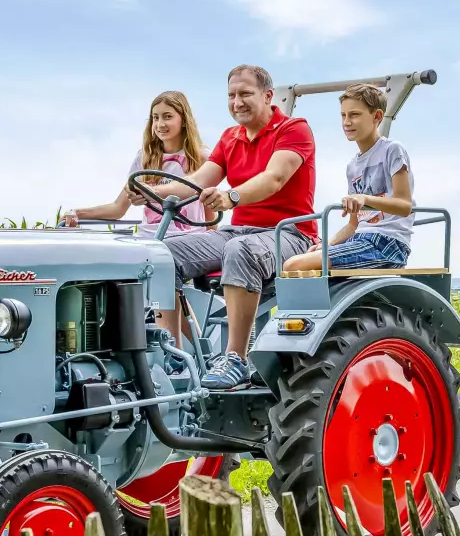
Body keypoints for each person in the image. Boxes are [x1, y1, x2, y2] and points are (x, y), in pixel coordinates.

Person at [137, 64, 318, 390]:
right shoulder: (230, 137)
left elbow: (273, 179)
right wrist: (151, 192)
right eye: (232, 95)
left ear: (267, 96)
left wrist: (232, 196)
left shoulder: (293, 129)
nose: (237, 102)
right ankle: (173, 356)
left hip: (289, 234)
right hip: (240, 230)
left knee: (240, 250)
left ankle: (236, 357)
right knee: (162, 254)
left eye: (245, 94)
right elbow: (195, 182)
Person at [283, 83, 414, 273]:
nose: (346, 122)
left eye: (354, 115)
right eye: (343, 115)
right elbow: (353, 225)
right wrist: (327, 244)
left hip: (387, 242)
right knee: (299, 258)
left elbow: (404, 205)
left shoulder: (392, 150)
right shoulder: (353, 167)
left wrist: (365, 199)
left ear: (377, 116)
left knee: (293, 265)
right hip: (360, 239)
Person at [62, 91, 215, 237]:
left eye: (167, 117)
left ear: (183, 120)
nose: (160, 124)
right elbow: (118, 208)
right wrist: (77, 213)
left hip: (188, 238)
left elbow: (209, 213)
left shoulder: (201, 157)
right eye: (155, 118)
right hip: (149, 239)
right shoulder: (144, 158)